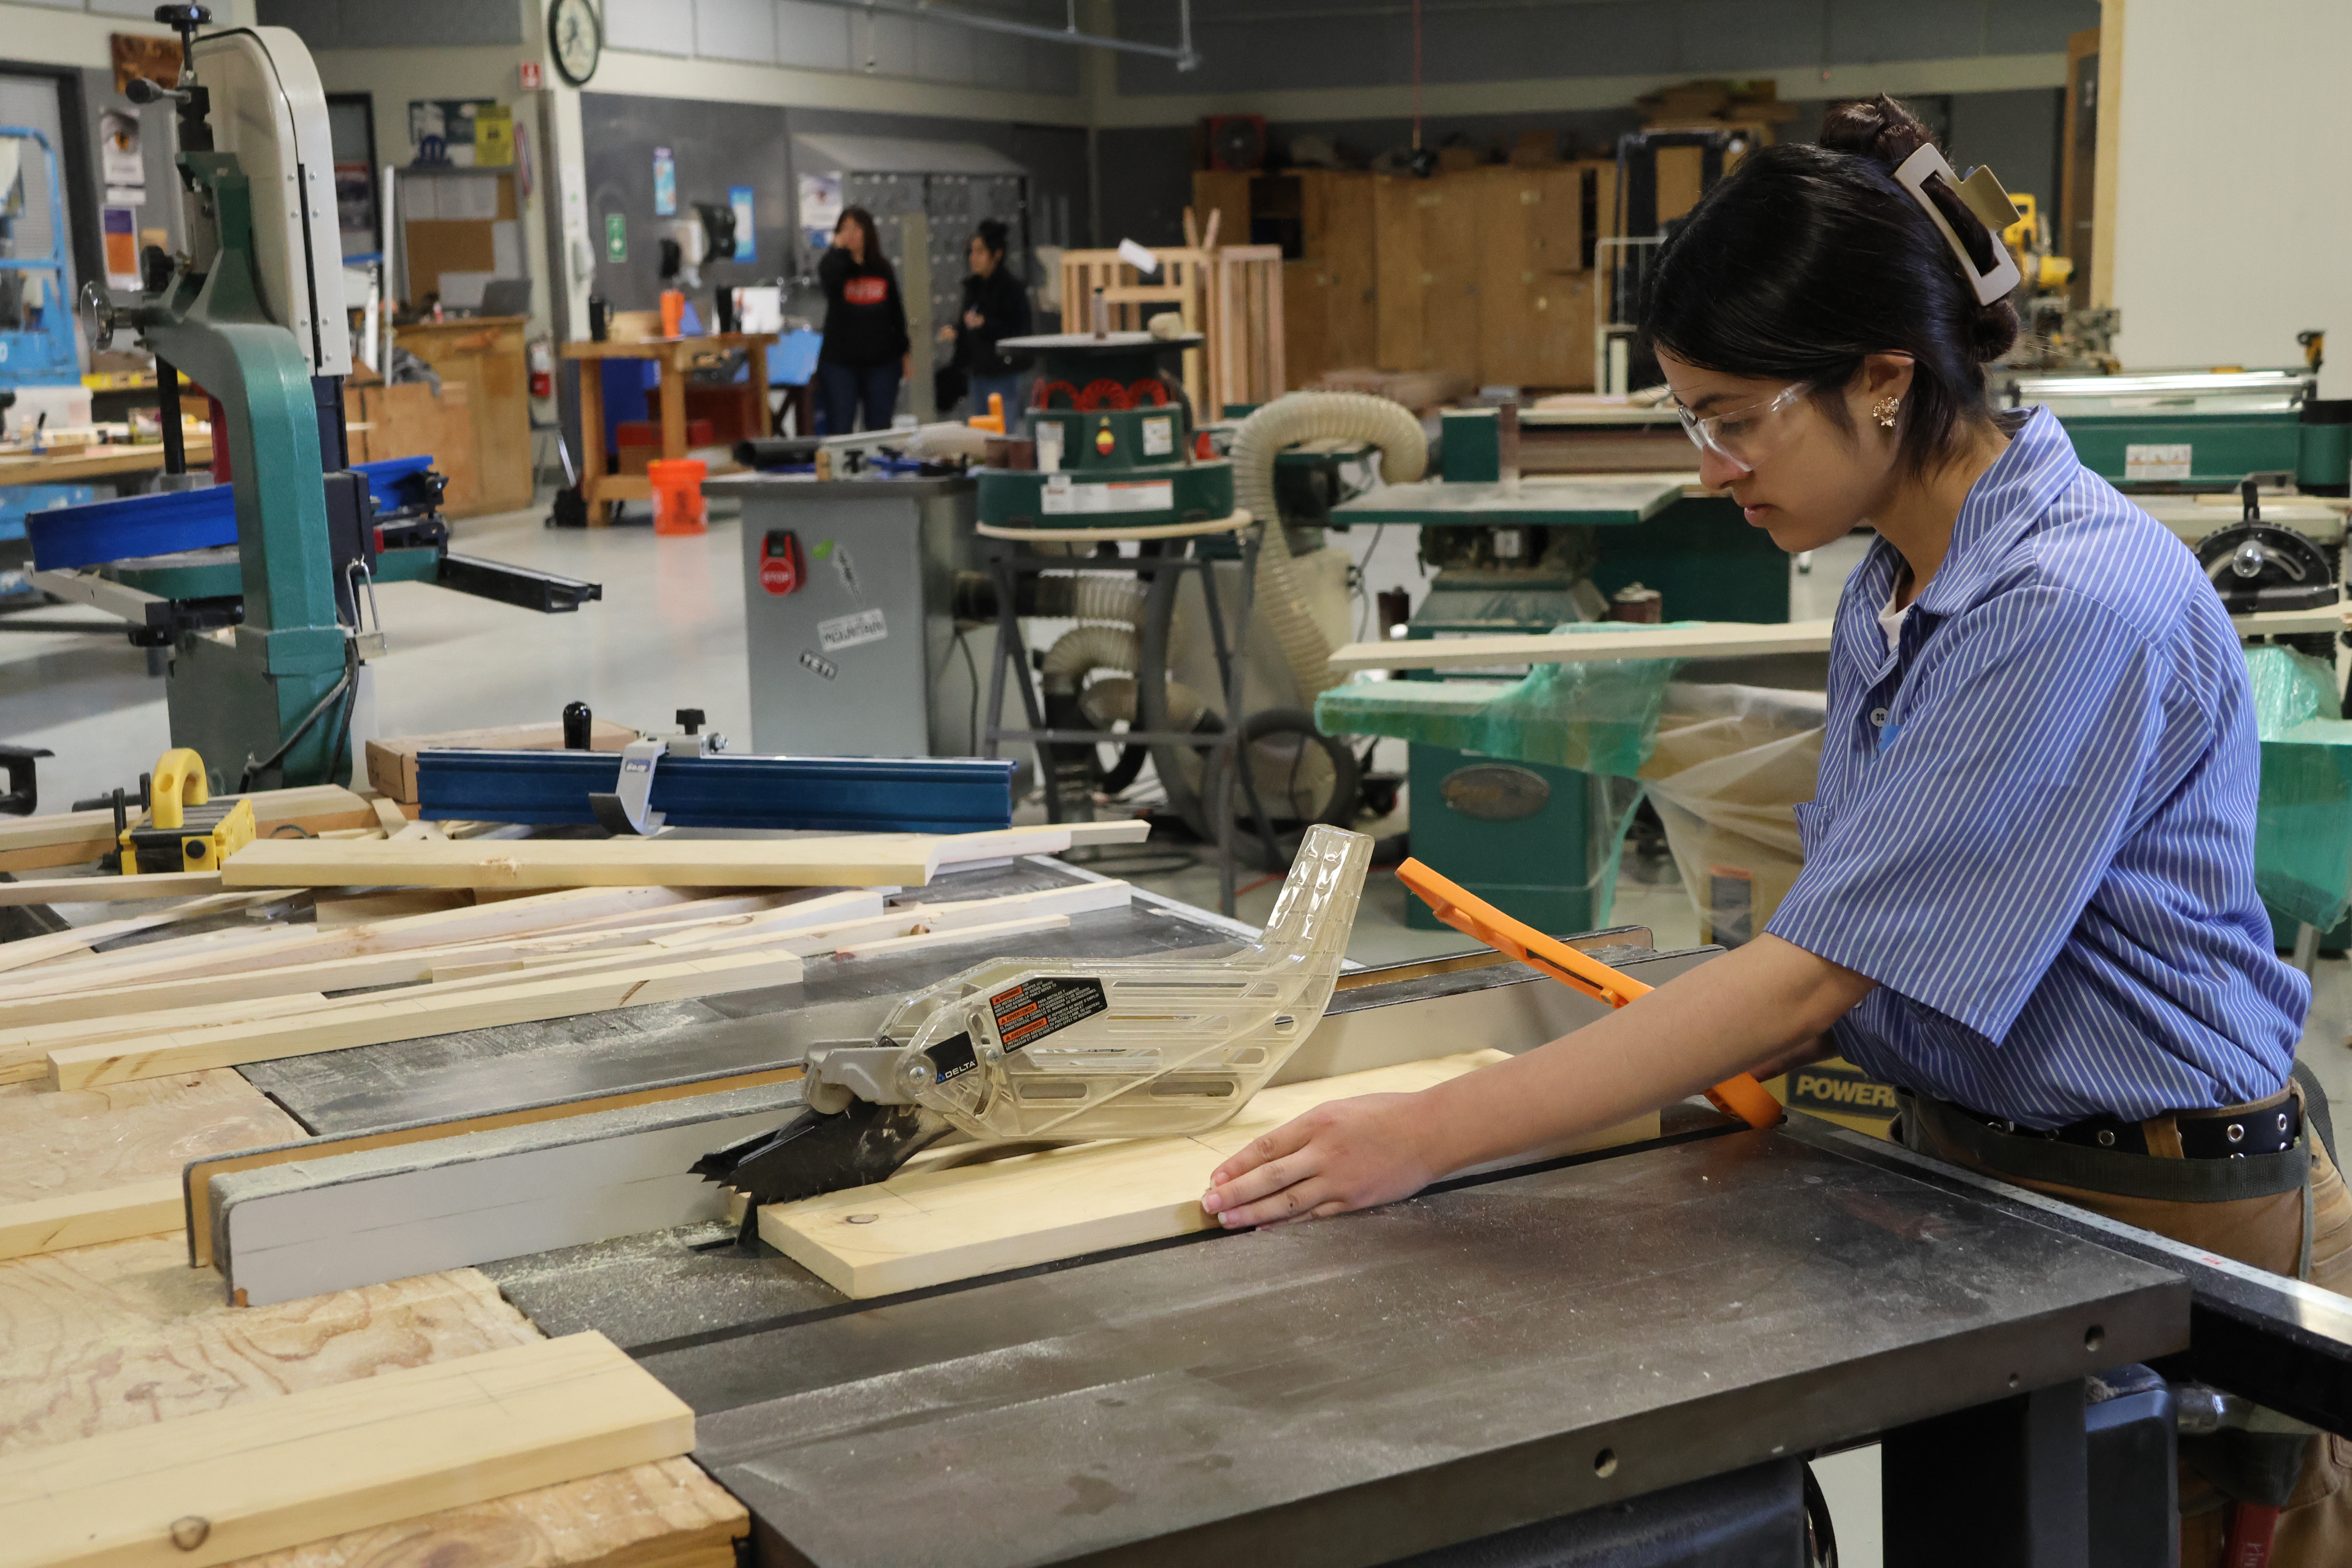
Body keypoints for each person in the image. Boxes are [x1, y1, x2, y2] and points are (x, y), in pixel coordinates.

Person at [1200, 95, 2352, 1564]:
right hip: (1978, 1168)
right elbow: (1853, 950)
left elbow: (1817, 971)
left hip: (2158, 1197)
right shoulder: (1890, 589)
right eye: (1695, 417)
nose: (1708, 464)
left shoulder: (2069, 606)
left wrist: (1424, 1134)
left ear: (1882, 381)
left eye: (1734, 420)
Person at [815, 206, 909, 435]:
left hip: (882, 362)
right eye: (845, 228)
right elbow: (829, 281)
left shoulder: (882, 269)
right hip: (841, 363)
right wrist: (837, 251)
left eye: (857, 228)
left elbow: (896, 313)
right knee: (840, 426)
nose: (851, 234)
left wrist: (905, 352)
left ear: (868, 232)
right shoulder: (836, 268)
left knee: (879, 428)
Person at [936, 219, 1032, 422]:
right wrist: (957, 330)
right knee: (982, 435)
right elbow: (968, 323)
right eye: (972, 252)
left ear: (997, 254)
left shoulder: (1011, 290)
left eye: (980, 252)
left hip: (1004, 373)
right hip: (978, 371)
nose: (973, 258)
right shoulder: (974, 288)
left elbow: (1019, 332)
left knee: (1002, 431)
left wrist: (985, 325)